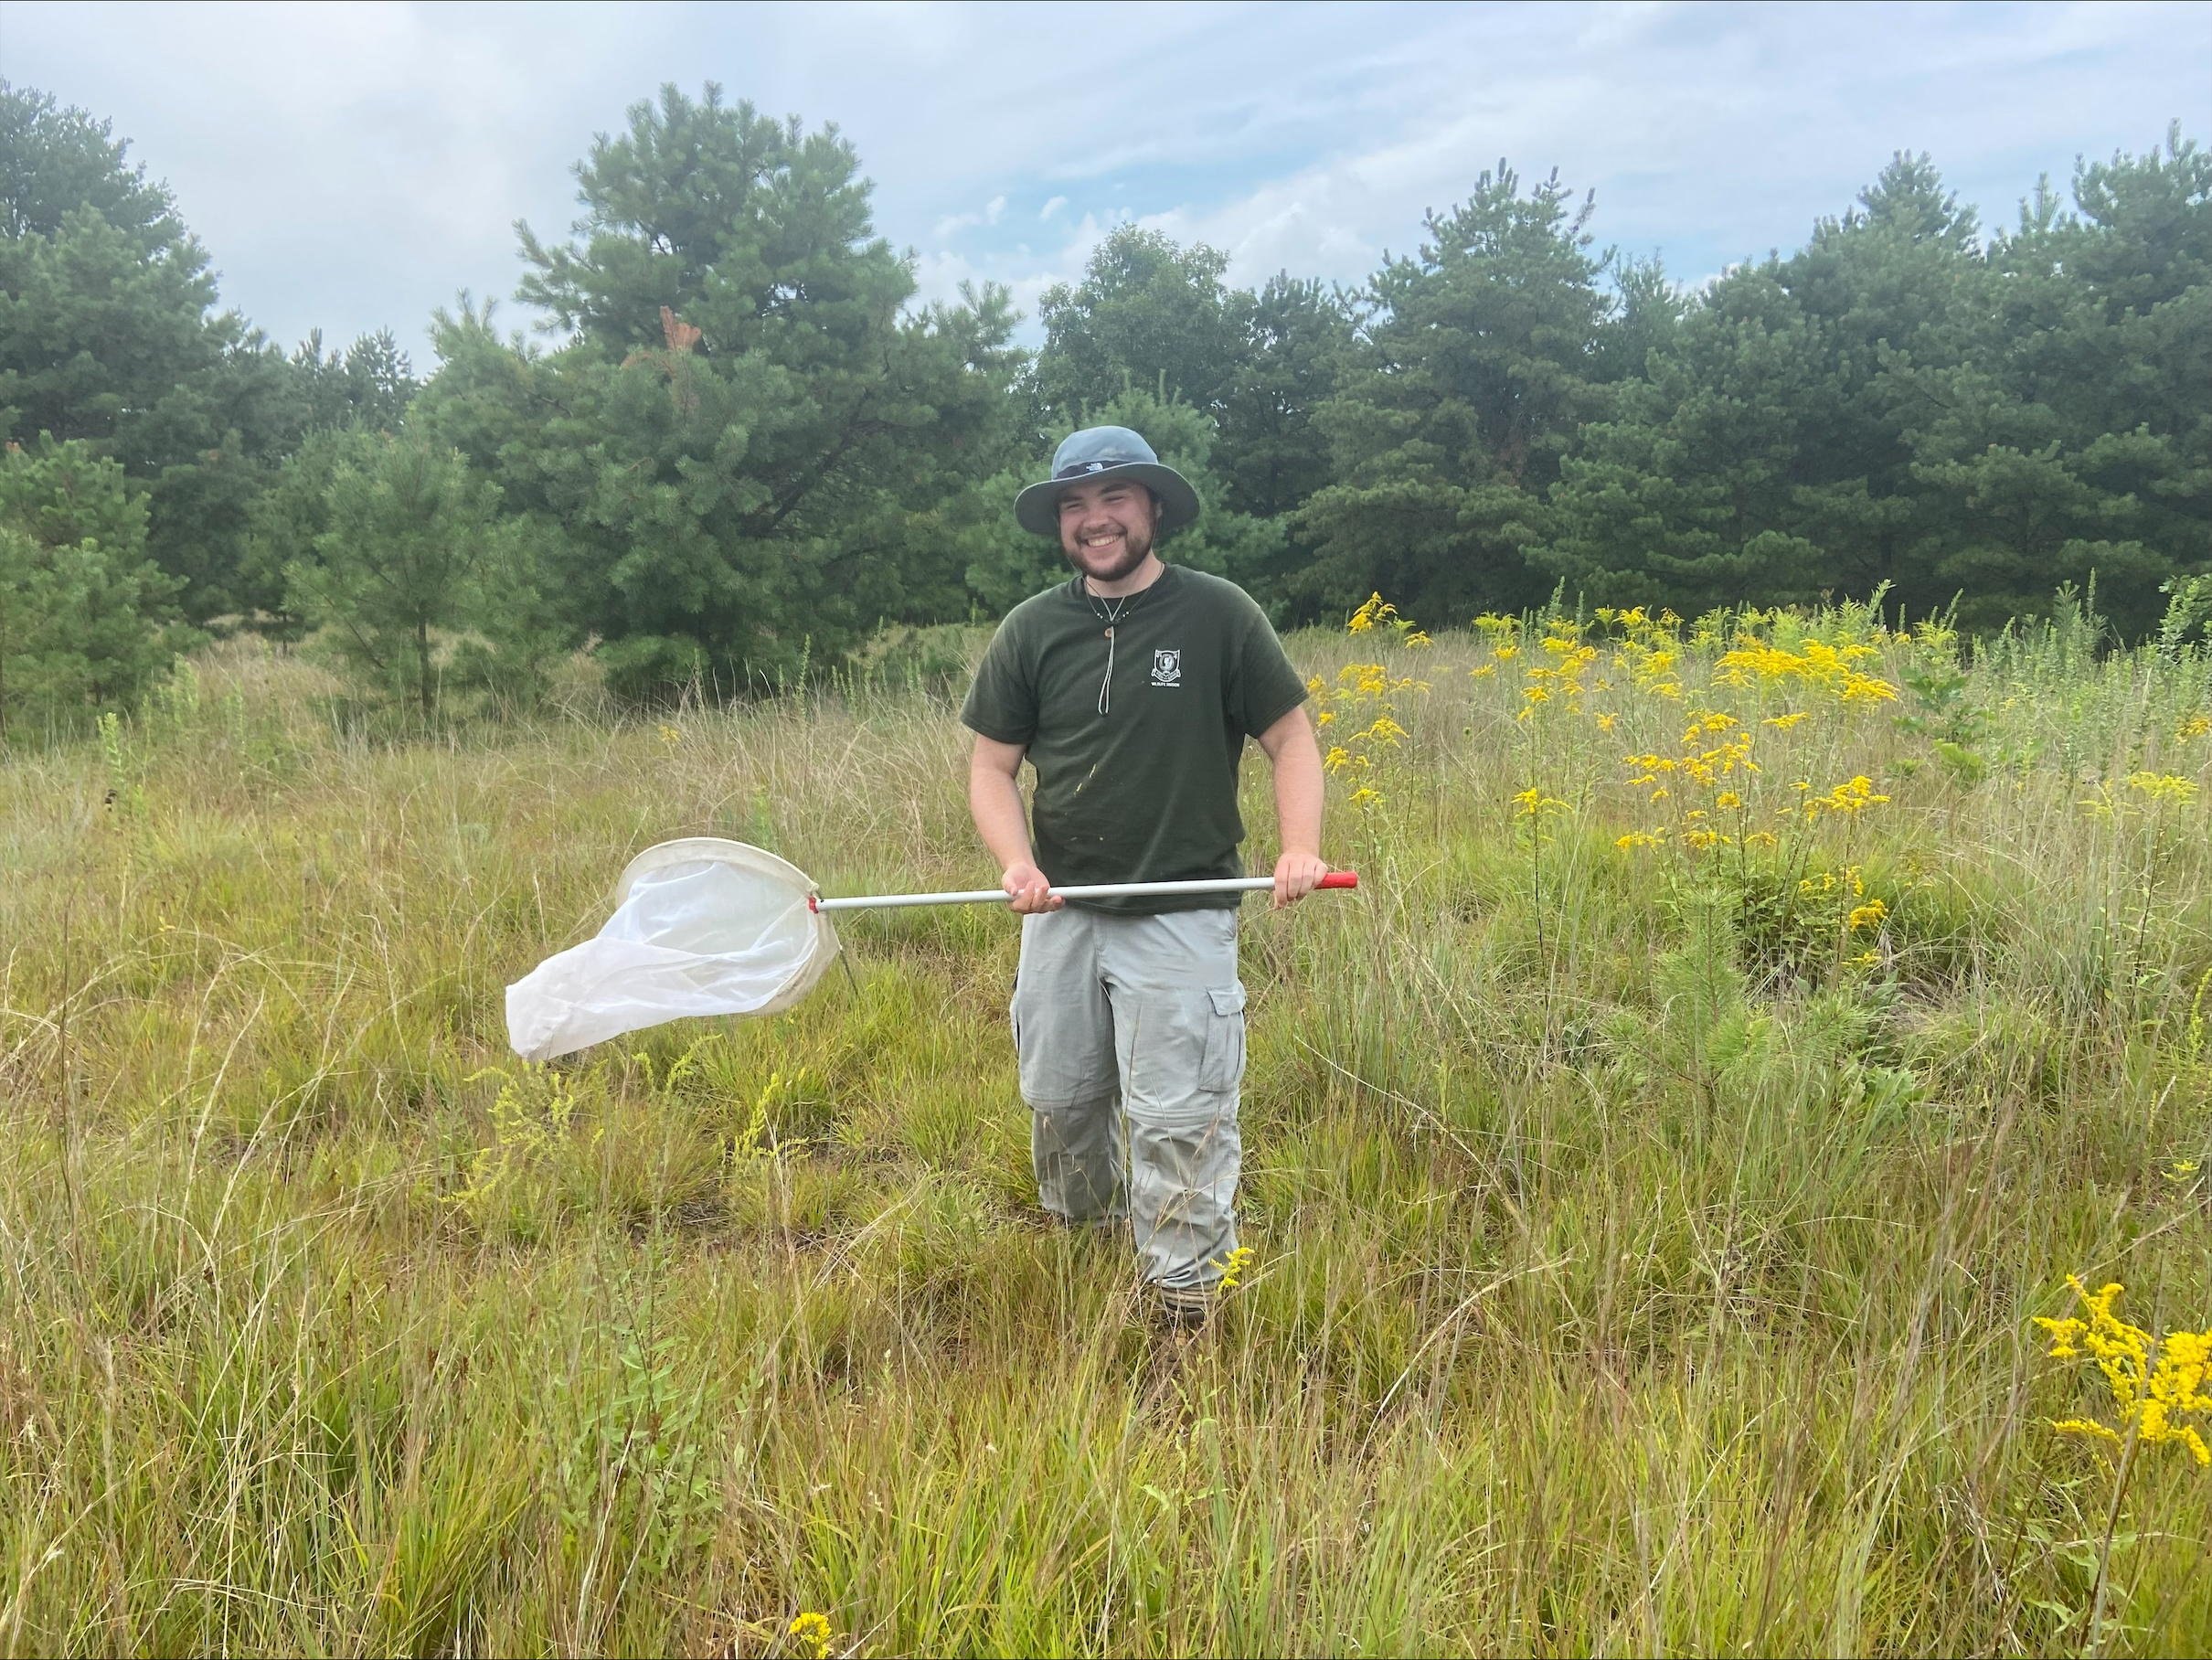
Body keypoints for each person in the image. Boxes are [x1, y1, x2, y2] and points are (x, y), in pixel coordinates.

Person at [960, 425, 1328, 1325]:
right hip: (1061, 913)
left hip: (1182, 909)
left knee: (1177, 1116)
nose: (1095, 520)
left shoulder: (1219, 615)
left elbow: (1291, 741)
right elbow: (989, 769)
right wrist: (1017, 864)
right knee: (1060, 1101)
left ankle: (1186, 1306)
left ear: (1152, 508)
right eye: (1075, 506)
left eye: (1115, 498)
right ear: (1058, 524)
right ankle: (1084, 1250)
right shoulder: (1031, 631)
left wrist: (1297, 845)